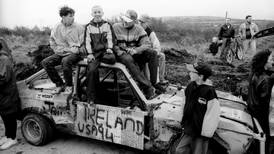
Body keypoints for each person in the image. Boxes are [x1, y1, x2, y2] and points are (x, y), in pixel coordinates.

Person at [175, 62, 220, 154]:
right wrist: (181, 119)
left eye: (192, 72)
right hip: (189, 128)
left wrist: (207, 133)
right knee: (180, 150)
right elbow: (184, 103)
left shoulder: (209, 92)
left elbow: (213, 115)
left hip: (200, 132)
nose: (189, 73)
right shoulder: (190, 86)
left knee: (198, 152)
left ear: (200, 76)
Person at [112, 11, 158, 99]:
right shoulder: (115, 27)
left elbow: (147, 44)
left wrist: (136, 50)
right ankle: (147, 87)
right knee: (128, 59)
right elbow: (110, 42)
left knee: (153, 53)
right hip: (121, 53)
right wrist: (118, 50)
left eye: (128, 21)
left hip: (134, 53)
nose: (125, 22)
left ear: (134, 21)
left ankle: (154, 84)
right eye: (124, 19)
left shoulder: (139, 29)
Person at [41, 6, 84, 94]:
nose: (73, 18)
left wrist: (79, 50)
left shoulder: (79, 27)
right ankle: (59, 84)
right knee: (45, 62)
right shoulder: (57, 27)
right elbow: (52, 41)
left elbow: (85, 42)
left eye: (73, 16)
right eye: (70, 16)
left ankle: (69, 86)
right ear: (63, 17)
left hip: (75, 53)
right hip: (61, 52)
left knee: (65, 61)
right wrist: (58, 51)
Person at [125, 10, 168, 85]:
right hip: (136, 52)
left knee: (161, 56)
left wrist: (151, 52)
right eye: (139, 21)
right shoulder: (135, 29)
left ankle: (160, 79)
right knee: (143, 60)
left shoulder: (150, 33)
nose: (140, 23)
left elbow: (157, 47)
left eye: (142, 22)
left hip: (148, 51)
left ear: (147, 23)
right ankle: (145, 80)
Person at [84, 5, 115, 104]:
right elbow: (87, 42)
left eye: (99, 12)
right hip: (95, 53)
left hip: (106, 51)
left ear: (102, 13)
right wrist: (89, 54)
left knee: (112, 60)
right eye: (95, 12)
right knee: (92, 70)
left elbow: (110, 38)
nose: (97, 14)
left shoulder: (107, 24)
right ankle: (91, 98)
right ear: (92, 14)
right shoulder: (88, 26)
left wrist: (110, 48)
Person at [247, 49, 274, 154]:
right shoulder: (266, 80)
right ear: (264, 62)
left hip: (253, 114)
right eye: (271, 59)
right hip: (262, 117)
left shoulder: (254, 74)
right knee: (264, 145)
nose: (272, 62)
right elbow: (265, 103)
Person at [0, 40, 21, 150]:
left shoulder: (4, 59)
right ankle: (8, 136)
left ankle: (13, 139)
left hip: (7, 92)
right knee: (4, 114)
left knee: (9, 115)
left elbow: (4, 78)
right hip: (2, 94)